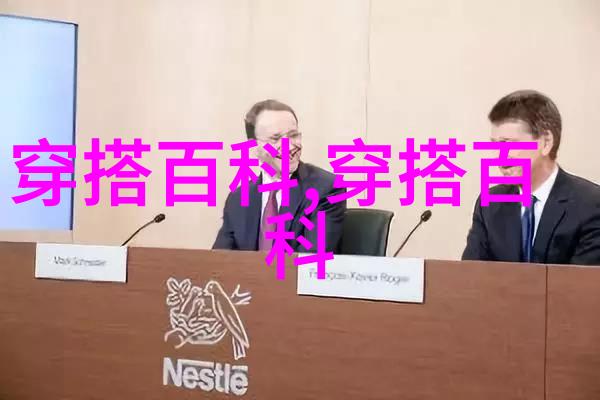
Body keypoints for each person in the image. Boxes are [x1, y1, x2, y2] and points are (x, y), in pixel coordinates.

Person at [462, 90, 600, 265]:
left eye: (507, 144)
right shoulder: (490, 203)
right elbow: (470, 275)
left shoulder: (591, 204)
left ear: (546, 142)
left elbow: (581, 280)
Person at [213, 99, 346, 253]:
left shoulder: (326, 189)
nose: (288, 146)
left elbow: (310, 260)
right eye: (275, 139)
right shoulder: (238, 199)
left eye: (293, 135)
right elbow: (219, 261)